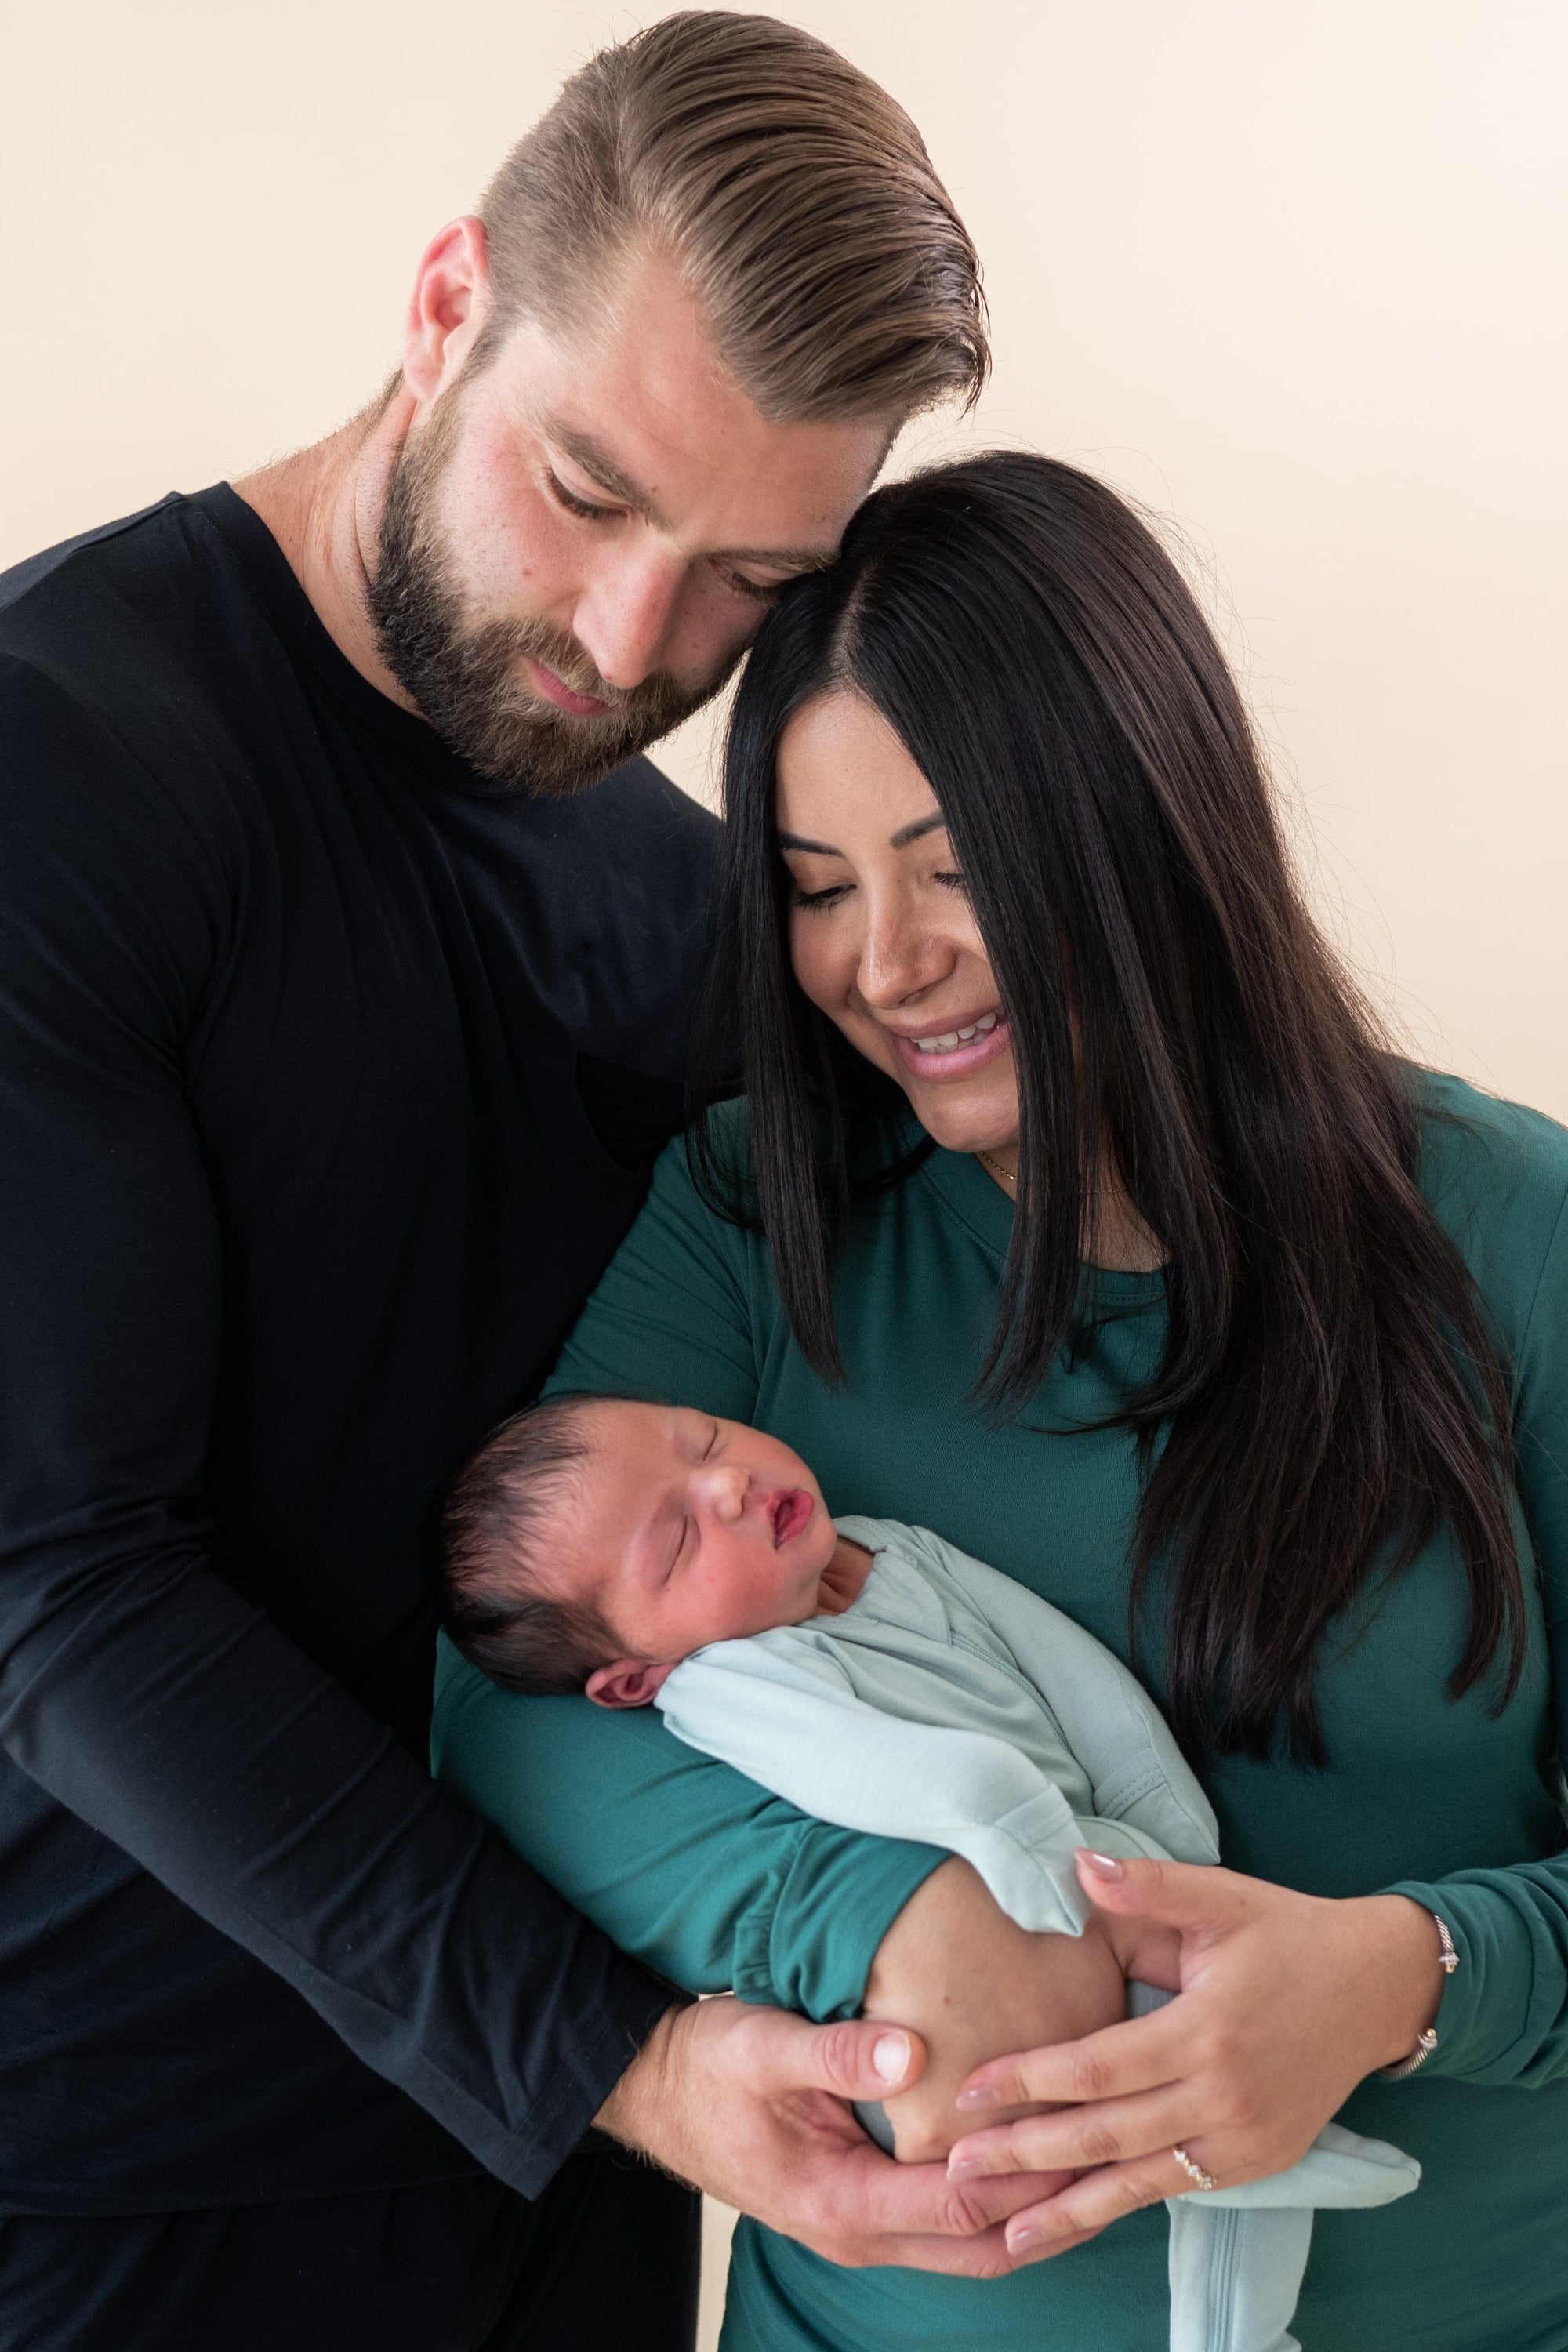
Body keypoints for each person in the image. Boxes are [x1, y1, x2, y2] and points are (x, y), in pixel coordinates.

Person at [0, 19, 1039, 2350]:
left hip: (579, 2158)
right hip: (129, 2187)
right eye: (584, 491)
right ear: (447, 299)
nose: (626, 642)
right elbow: (54, 1580)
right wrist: (623, 2061)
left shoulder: (690, 899)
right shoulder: (58, 766)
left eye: (743, 578)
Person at [432, 451, 1568, 2351]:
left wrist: (1406, 1978)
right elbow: (505, 1699)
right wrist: (885, 1909)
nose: (885, 965)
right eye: (816, 890)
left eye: (954, 867)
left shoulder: (1510, 1234)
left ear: (1144, 821)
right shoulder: (753, 1216)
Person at [435, 1388, 1424, 2352]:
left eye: (703, 1439)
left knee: (1225, 2057)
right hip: (999, 1895)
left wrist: (1156, 1811)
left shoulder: (892, 1551)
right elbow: (871, 1767)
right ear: (635, 1677)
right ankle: (1245, 2175)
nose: (728, 1485)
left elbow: (1064, 1670)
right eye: (680, 1539)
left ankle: (1240, 2309)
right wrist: (1022, 1834)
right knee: (1043, 2080)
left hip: (1088, 1856)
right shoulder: (724, 1683)